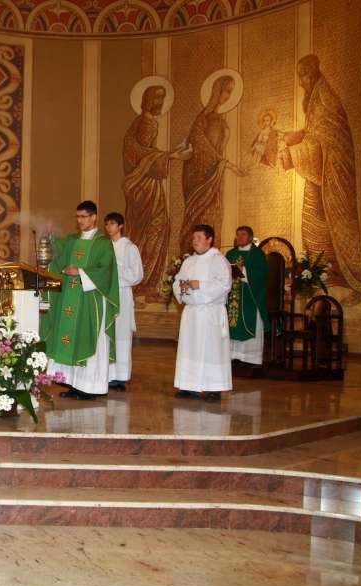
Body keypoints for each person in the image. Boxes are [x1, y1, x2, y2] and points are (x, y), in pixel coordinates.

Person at [280, 54, 361, 304]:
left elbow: (327, 140)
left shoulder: (325, 99)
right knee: (312, 222)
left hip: (333, 173)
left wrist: (292, 154)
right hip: (317, 174)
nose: (301, 82)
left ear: (313, 73)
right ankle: (322, 278)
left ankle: (356, 283)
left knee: (340, 223)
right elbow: (313, 133)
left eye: (303, 76)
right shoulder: (315, 97)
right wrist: (293, 136)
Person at [43, 200, 119, 399]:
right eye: (77, 217)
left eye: (84, 217)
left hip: (90, 299)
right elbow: (58, 254)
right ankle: (74, 384)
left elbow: (106, 270)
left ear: (94, 217)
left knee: (87, 338)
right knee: (71, 339)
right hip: (71, 297)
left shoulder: (103, 243)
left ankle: (89, 388)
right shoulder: (72, 240)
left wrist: (81, 272)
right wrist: (50, 236)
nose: (80, 220)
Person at [122, 83, 191, 302]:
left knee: (148, 232)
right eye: (157, 98)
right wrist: (172, 155)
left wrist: (171, 153)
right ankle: (144, 284)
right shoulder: (147, 122)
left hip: (144, 186)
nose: (160, 102)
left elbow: (146, 153)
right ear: (147, 99)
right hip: (146, 187)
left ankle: (145, 284)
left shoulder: (140, 122)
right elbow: (144, 155)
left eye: (162, 98)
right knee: (156, 229)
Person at [179, 75, 244, 253]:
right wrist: (228, 164)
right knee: (200, 216)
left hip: (216, 178)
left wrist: (222, 164)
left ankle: (211, 253)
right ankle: (190, 254)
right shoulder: (202, 119)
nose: (227, 96)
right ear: (217, 91)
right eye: (226, 91)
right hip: (200, 177)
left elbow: (219, 149)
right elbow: (200, 146)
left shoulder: (221, 120)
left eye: (230, 92)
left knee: (214, 215)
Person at [173, 224, 232, 401]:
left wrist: (200, 285)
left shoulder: (219, 260)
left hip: (210, 313)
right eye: (193, 238)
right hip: (192, 313)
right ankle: (189, 385)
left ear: (209, 239)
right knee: (189, 348)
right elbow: (177, 281)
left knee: (211, 350)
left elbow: (225, 285)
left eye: (199, 238)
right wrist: (182, 287)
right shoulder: (189, 261)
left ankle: (213, 388)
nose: (195, 241)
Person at [104, 213, 143, 390]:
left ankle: (120, 376)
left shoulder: (129, 248)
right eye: (106, 224)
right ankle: (106, 373)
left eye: (112, 223)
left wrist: (115, 270)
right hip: (106, 295)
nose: (109, 227)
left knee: (121, 335)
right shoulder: (104, 247)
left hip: (122, 294)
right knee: (106, 333)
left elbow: (137, 275)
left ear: (120, 226)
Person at [226, 226, 270, 366]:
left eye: (243, 234)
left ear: (251, 237)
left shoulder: (257, 254)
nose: (240, 237)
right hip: (233, 297)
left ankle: (250, 358)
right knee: (231, 324)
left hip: (250, 298)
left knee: (251, 322)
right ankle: (233, 355)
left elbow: (262, 275)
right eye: (238, 234)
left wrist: (244, 270)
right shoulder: (230, 254)